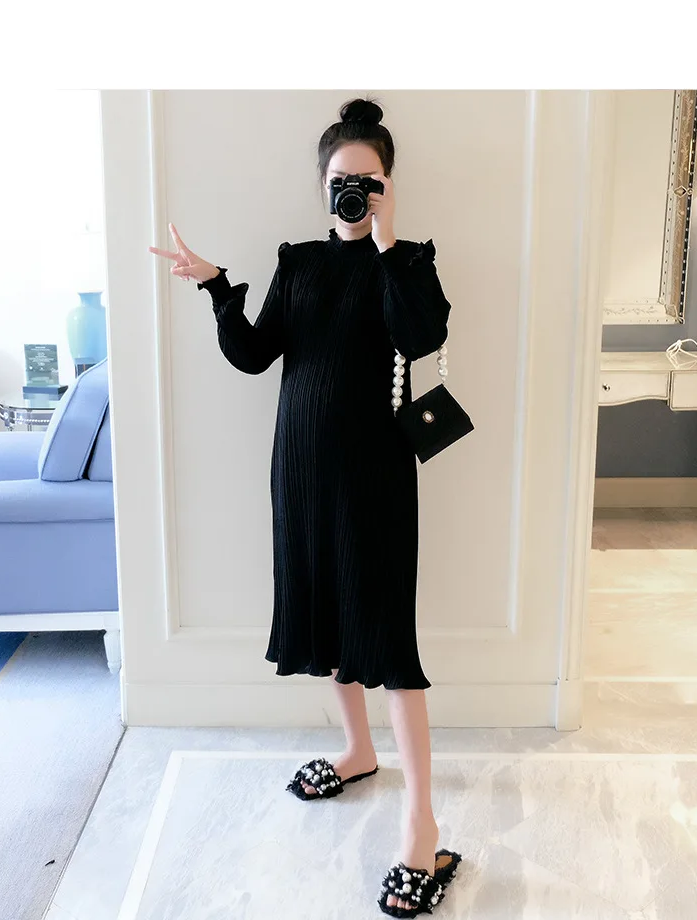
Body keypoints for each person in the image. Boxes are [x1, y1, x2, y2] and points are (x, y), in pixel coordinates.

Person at [149, 96, 462, 915]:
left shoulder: (410, 262)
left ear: (389, 186)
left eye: (370, 180)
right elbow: (254, 355)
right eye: (342, 180)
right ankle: (357, 749)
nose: (354, 192)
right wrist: (217, 286)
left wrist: (388, 243)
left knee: (387, 640)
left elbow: (422, 336)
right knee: (323, 617)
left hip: (376, 479)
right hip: (299, 475)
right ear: (322, 185)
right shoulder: (298, 262)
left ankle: (422, 824)